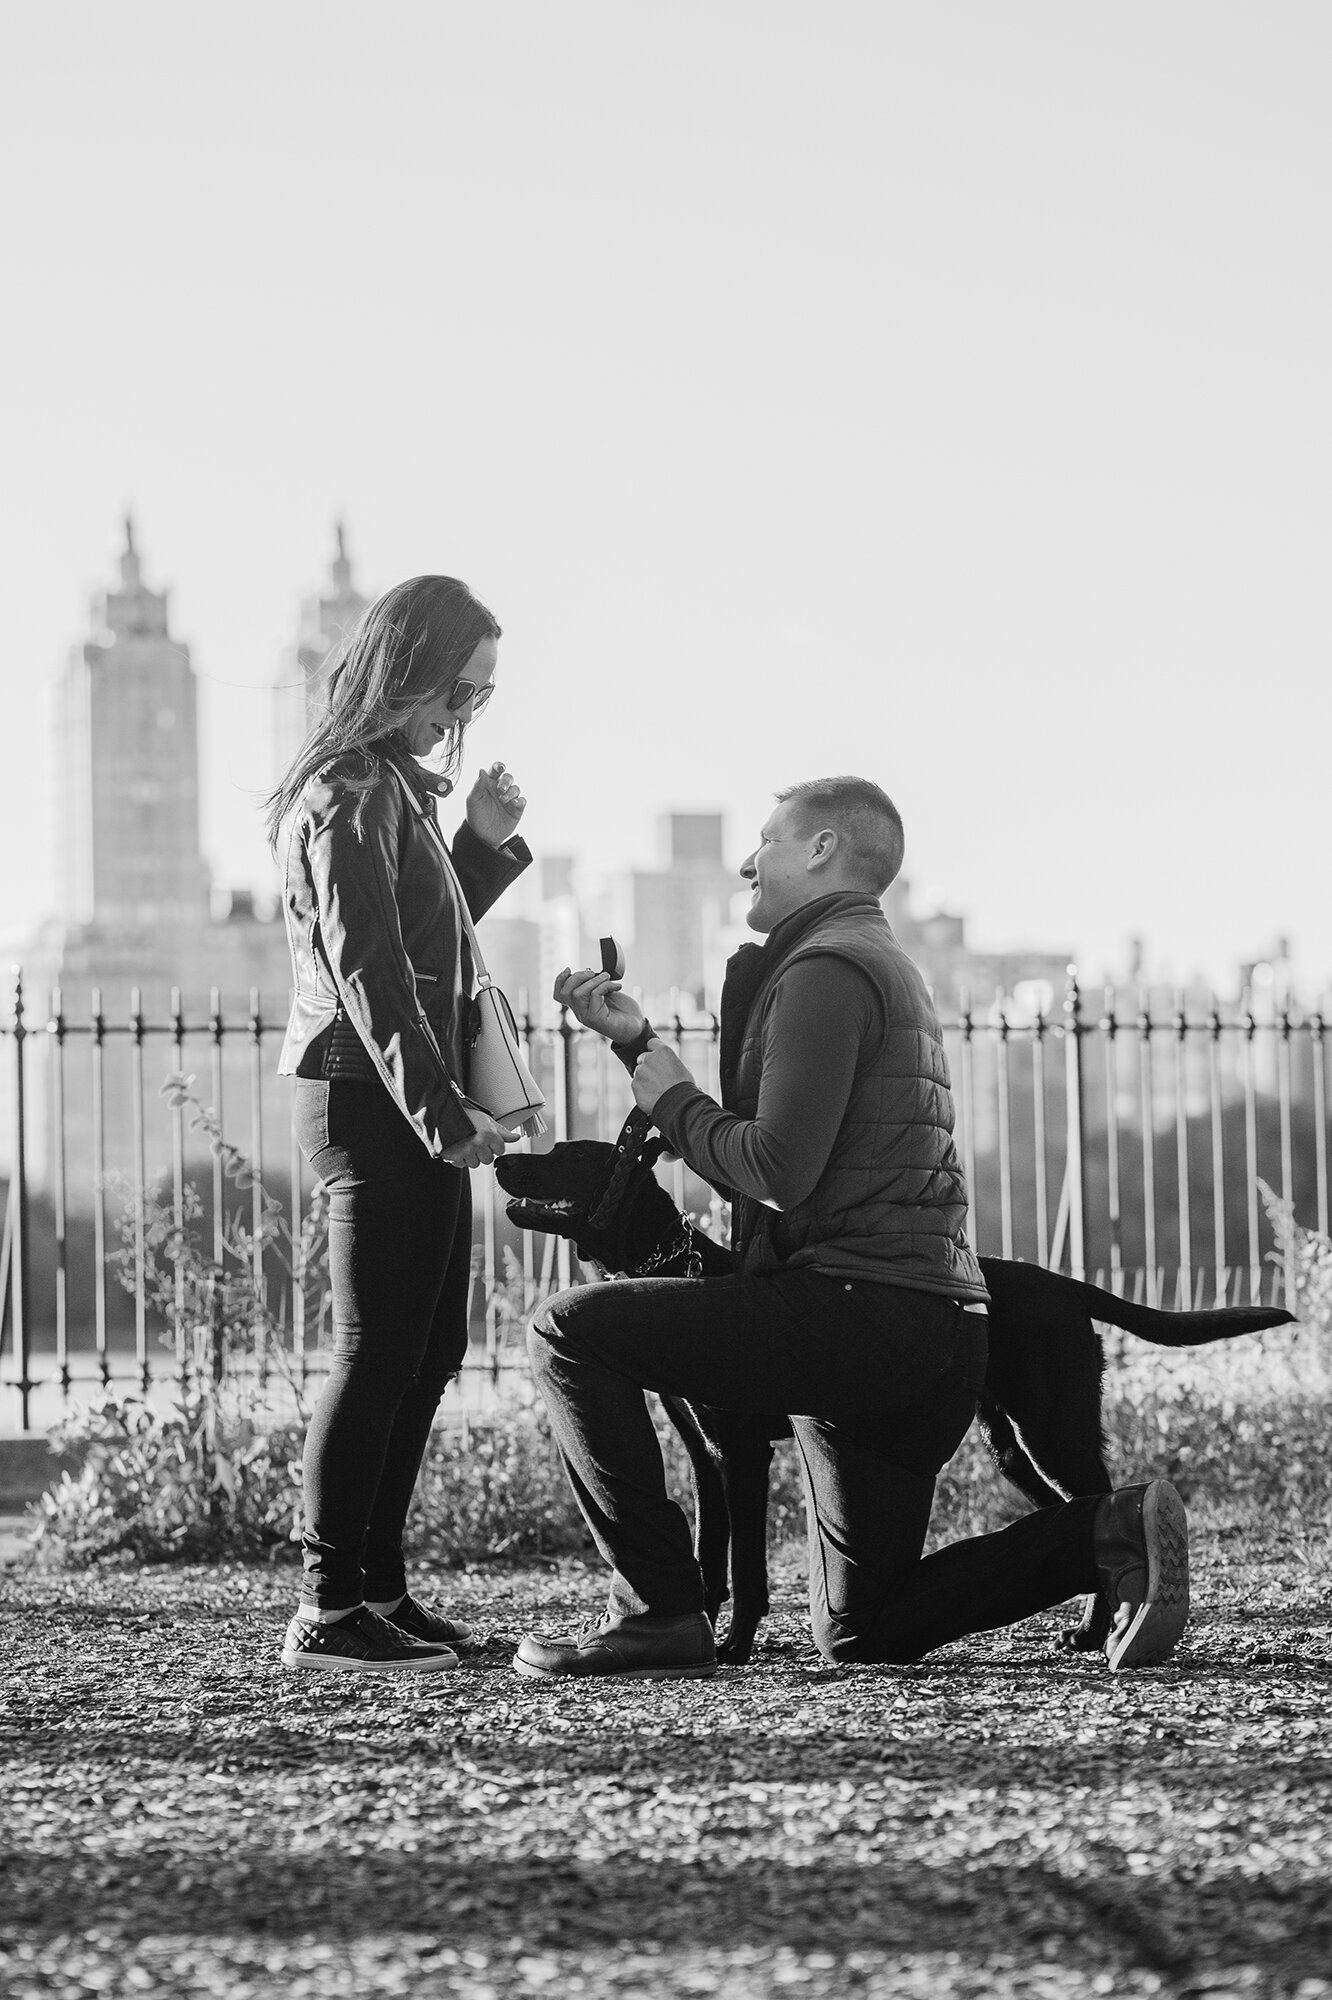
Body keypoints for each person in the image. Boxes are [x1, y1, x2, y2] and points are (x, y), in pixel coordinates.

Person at [514, 776, 1188, 1681]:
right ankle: (1109, 1527)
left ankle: (659, 1614)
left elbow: (775, 1171)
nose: (747, 862)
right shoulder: (871, 961)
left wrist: (670, 1093)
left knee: (568, 1330)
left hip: (857, 1314)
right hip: (932, 1333)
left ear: (823, 849)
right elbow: (792, 1151)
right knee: (863, 1629)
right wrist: (640, 1047)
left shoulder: (826, 972)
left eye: (766, 842)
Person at [266, 574, 530, 1674]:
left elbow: (423, 936)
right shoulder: (344, 789)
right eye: (456, 691)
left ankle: (378, 1589)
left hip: (403, 1099)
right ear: (406, 669)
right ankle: (327, 1612)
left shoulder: (391, 789)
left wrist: (480, 841)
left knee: (430, 1349)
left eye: (478, 699)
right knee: (376, 1352)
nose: (463, 716)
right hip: (369, 1098)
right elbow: (368, 968)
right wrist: (441, 1115)